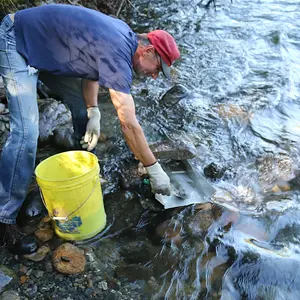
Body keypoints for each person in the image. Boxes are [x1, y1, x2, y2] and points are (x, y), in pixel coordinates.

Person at [0, 4, 180, 254]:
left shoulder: (123, 36)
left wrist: (93, 109)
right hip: (17, 39)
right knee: (27, 134)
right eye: (157, 69)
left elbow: (90, 68)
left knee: (79, 105)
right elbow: (127, 122)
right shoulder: (119, 52)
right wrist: (153, 167)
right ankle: (5, 215)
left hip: (45, 47)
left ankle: (81, 165)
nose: (153, 76)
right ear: (148, 50)